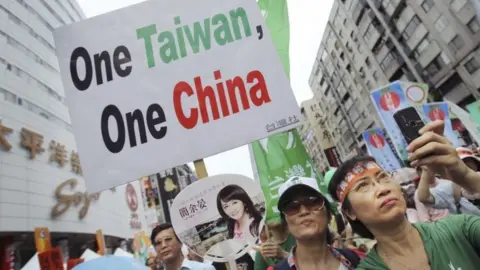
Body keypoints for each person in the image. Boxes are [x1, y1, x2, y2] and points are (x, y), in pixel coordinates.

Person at [328, 120, 480, 269]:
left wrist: (466, 176)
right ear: (350, 212)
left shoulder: (459, 228)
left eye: (383, 177)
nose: (382, 189)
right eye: (363, 186)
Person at [273, 176, 362, 270]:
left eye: (312, 202)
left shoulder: (355, 260)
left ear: (329, 214)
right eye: (292, 207)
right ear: (286, 225)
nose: (304, 211)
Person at [417, 147, 480, 216]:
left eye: (467, 161)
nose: (463, 167)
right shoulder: (450, 188)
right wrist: (426, 170)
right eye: (457, 164)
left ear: (476, 163)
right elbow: (424, 198)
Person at [150, 223, 215, 270]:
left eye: (168, 239)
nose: (163, 245)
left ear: (180, 242)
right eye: (158, 243)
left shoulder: (204, 269)